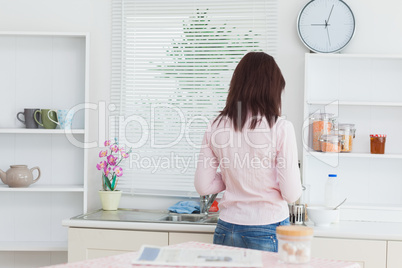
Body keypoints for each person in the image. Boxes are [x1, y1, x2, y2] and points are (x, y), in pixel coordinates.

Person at [194, 51, 302, 252]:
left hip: (227, 228)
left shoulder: (215, 126)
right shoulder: (281, 128)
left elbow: (203, 185)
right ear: (272, 89)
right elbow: (292, 193)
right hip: (267, 227)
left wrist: (233, 175)